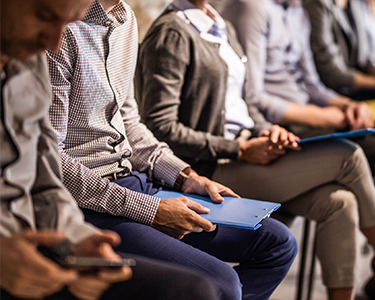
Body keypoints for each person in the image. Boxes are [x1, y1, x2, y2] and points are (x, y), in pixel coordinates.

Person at [46, 0, 298, 299]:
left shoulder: (125, 19)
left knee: (278, 242)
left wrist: (185, 176)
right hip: (91, 204)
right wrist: (150, 210)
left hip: (135, 181)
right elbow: (52, 161)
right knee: (223, 284)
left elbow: (129, 123)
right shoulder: (58, 32)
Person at [134, 0, 375, 299]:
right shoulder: (172, 31)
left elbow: (245, 105)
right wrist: (239, 149)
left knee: (340, 203)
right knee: (349, 155)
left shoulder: (222, 25)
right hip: (212, 165)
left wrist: (268, 130)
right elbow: (160, 126)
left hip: (248, 148)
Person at [0, 0, 226, 299]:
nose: (54, 42)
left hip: (53, 224)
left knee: (268, 246)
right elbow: (57, 162)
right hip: (54, 218)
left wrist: (80, 241)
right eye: (45, 16)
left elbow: (44, 177)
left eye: (68, 22)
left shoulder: (29, 63)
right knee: (203, 288)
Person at [221, 0, 375, 177]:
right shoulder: (253, 8)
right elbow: (253, 97)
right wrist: (324, 117)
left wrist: (348, 105)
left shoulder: (298, 11)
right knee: (364, 149)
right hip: (282, 125)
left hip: (309, 115)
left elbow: (312, 85)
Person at [304, 0, 375, 100]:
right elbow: (331, 73)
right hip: (336, 91)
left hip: (358, 85)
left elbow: (365, 58)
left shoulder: (356, 3)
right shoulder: (316, 4)